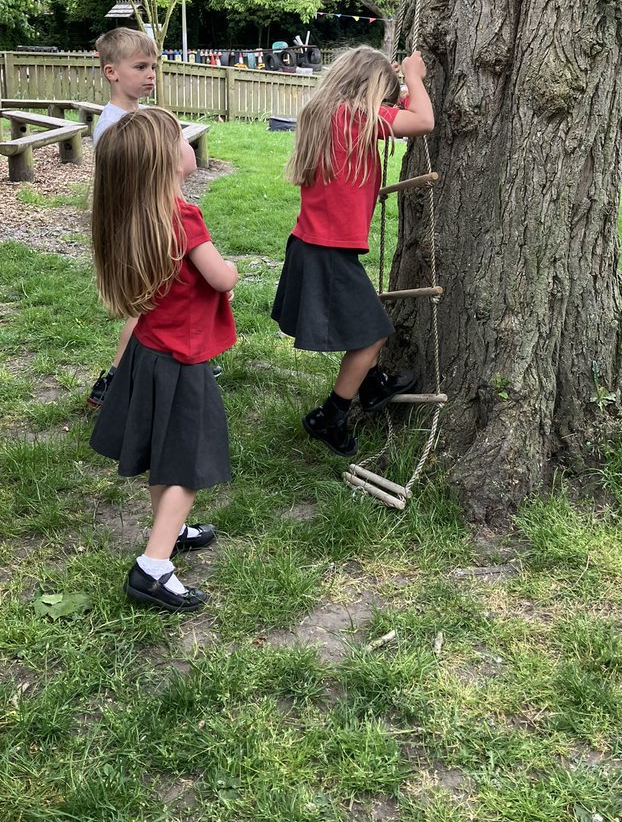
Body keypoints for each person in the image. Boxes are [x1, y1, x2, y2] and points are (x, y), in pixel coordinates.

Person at [89, 107, 239, 612]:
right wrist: (232, 269)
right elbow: (220, 277)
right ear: (166, 162)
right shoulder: (182, 218)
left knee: (163, 452)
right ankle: (152, 568)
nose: (189, 144)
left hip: (149, 354)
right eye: (181, 138)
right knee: (187, 467)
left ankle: (170, 531)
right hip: (183, 361)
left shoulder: (134, 218)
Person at [272, 45, 434, 458]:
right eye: (384, 94)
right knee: (372, 335)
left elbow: (399, 115)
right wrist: (413, 76)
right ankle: (331, 416)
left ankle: (373, 383)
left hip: (314, 245)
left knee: (366, 323)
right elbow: (423, 120)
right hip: (327, 252)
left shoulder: (326, 114)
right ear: (370, 90)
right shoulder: (356, 117)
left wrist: (396, 89)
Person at [86, 28, 159, 408]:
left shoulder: (139, 115)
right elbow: (123, 187)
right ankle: (113, 379)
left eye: (154, 67)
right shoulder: (112, 126)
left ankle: (181, 360)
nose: (151, 75)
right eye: (141, 67)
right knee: (146, 305)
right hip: (133, 228)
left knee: (155, 301)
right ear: (111, 72)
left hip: (151, 222)